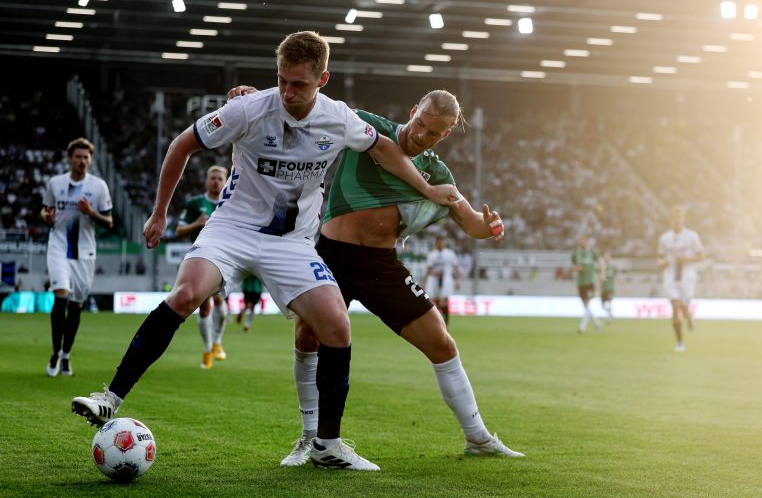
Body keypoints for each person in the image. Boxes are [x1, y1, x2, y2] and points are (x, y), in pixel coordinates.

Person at [71, 31, 458, 472]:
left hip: (292, 243)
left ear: (323, 79)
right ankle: (110, 398)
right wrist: (159, 213)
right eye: (282, 80)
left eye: (299, 84)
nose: (288, 92)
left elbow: (385, 148)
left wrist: (426, 188)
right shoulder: (249, 108)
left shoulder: (340, 118)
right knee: (185, 294)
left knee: (336, 325)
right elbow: (183, 144)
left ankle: (327, 445)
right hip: (232, 228)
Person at [227, 84, 523, 466]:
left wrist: (492, 227)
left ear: (446, 134)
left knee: (442, 343)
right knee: (307, 334)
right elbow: (311, 110)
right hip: (333, 255)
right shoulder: (366, 126)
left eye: (434, 133)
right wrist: (258, 99)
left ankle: (478, 437)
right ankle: (309, 438)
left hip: (381, 267)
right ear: (414, 109)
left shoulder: (436, 171)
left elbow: (471, 224)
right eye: (420, 124)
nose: (421, 135)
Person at [41, 137, 113, 377]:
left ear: (90, 160)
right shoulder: (55, 183)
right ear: (70, 158)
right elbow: (46, 209)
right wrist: (47, 217)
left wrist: (90, 212)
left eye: (86, 157)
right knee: (60, 296)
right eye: (78, 157)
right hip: (59, 247)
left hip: (85, 251)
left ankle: (66, 355)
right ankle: (54, 353)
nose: (82, 161)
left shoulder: (98, 187)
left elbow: (109, 222)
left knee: (76, 305)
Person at [175, 165, 229, 369]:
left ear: (226, 181)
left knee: (222, 309)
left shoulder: (231, 202)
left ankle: (217, 342)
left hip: (226, 259)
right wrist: (197, 224)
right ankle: (208, 349)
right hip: (202, 259)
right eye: (213, 178)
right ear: (207, 181)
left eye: (220, 178)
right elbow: (179, 231)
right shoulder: (194, 203)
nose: (216, 181)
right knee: (205, 307)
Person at [657, 205, 704, 352]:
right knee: (675, 307)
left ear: (683, 219)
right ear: (671, 219)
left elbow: (701, 255)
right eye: (674, 217)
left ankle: (688, 316)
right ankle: (680, 343)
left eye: (679, 217)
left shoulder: (692, 236)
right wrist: (662, 263)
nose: (677, 220)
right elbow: (660, 257)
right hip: (671, 275)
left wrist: (687, 259)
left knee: (683, 307)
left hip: (687, 275)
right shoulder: (664, 238)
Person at [425, 236, 460, 326]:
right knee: (436, 301)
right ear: (436, 243)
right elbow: (429, 269)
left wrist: (457, 281)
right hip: (435, 279)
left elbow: (456, 268)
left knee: (444, 299)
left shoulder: (450, 253)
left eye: (441, 242)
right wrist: (433, 273)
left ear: (444, 243)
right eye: (438, 242)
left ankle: (446, 322)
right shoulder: (432, 254)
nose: (440, 244)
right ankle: (439, 321)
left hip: (446, 279)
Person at [572, 235, 600, 334]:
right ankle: (596, 322)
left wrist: (601, 276)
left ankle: (582, 327)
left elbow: (600, 263)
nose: (582, 243)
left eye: (583, 241)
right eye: (580, 241)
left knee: (587, 303)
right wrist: (576, 269)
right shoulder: (576, 253)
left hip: (590, 282)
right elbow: (574, 266)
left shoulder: (592, 252)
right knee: (585, 305)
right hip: (580, 282)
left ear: (587, 242)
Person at [598, 250, 618, 324]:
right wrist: (599, 285)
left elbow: (618, 276)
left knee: (609, 302)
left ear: (610, 257)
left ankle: (609, 318)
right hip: (604, 288)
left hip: (610, 288)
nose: (606, 257)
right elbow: (601, 278)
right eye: (605, 256)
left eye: (607, 256)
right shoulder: (602, 266)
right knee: (602, 305)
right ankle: (610, 314)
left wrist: (624, 287)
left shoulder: (613, 267)